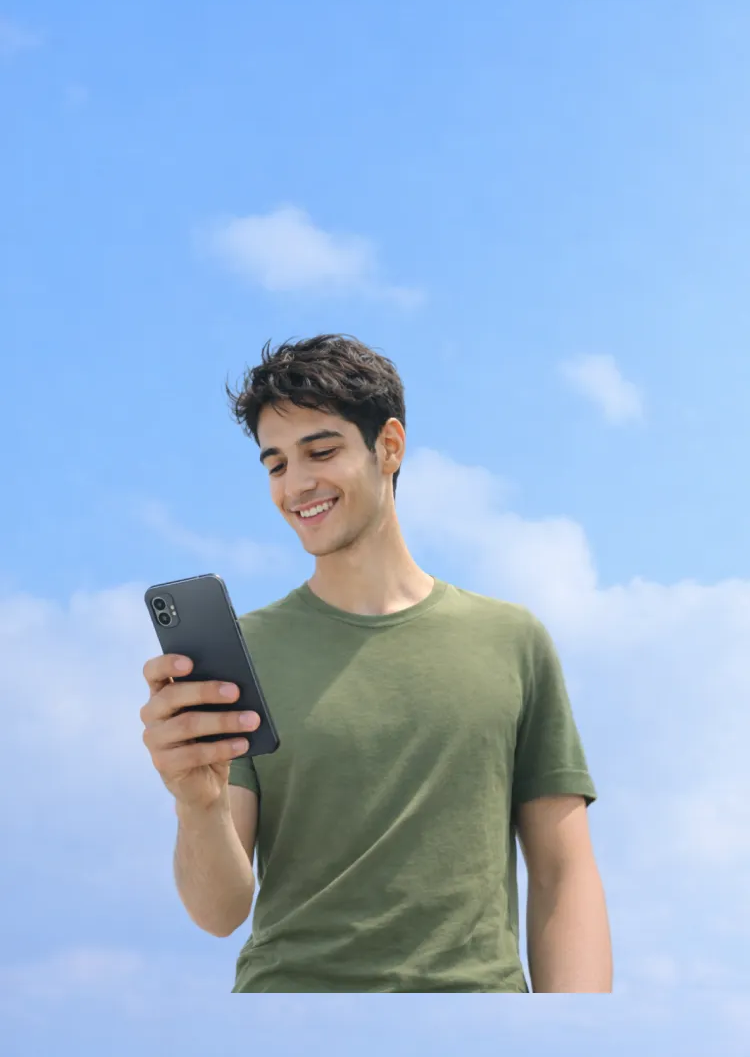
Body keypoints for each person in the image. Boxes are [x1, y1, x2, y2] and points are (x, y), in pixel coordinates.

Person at [140, 333, 613, 993]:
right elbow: (218, 912)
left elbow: (563, 874)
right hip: (289, 1025)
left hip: (474, 1027)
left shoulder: (512, 640)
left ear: (389, 446)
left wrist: (580, 1038)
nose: (296, 484)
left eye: (321, 451)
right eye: (275, 464)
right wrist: (197, 803)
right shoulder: (245, 656)